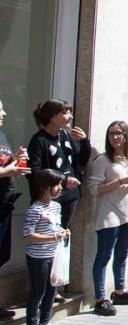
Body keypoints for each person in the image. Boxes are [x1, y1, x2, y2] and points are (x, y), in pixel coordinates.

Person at [27, 99, 91, 302]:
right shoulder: (39, 141)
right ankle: (46, 289)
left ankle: (55, 284)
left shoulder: (65, 136)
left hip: (70, 197)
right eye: (65, 112)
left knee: (62, 237)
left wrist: (85, 142)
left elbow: (80, 160)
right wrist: (62, 179)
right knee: (48, 242)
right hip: (48, 202)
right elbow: (34, 172)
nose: (70, 117)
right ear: (52, 116)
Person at [87, 121, 128, 317]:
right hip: (108, 213)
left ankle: (119, 291)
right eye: (111, 133)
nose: (115, 137)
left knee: (122, 254)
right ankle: (100, 298)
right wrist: (120, 181)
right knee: (103, 255)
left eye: (119, 133)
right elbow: (94, 189)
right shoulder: (102, 160)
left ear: (126, 136)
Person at [22, 169, 68, 325]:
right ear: (44, 186)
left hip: (54, 254)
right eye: (56, 185)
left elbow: (56, 227)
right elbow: (28, 235)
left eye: (60, 185)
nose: (60, 188)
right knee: (38, 291)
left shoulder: (56, 206)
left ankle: (45, 322)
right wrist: (53, 236)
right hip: (38, 257)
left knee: (51, 289)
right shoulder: (35, 209)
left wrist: (63, 232)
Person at [0, 98, 29, 318]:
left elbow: (5, 164)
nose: (4, 113)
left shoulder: (2, 135)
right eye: (0, 109)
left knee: (3, 254)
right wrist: (9, 170)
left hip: (5, 201)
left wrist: (17, 160)